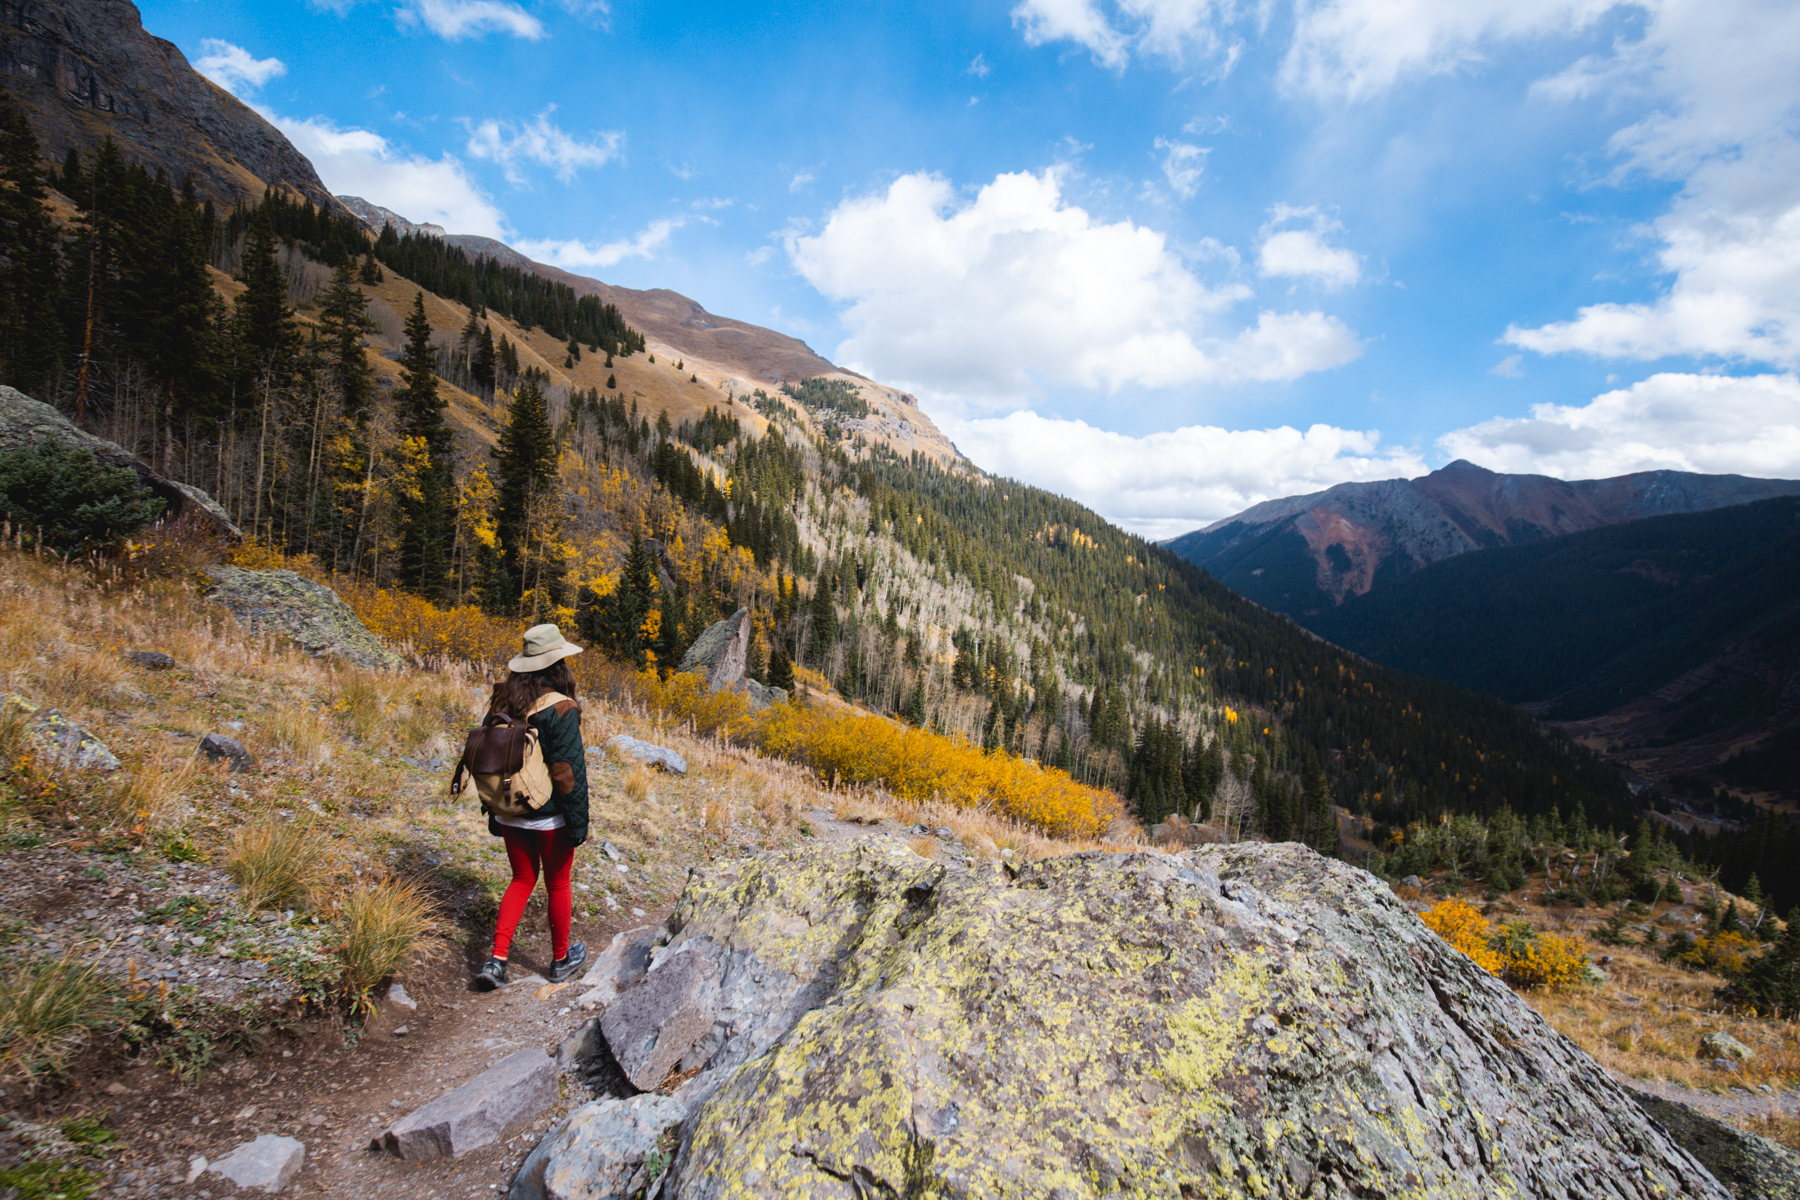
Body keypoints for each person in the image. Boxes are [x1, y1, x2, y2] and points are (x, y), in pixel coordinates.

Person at [475, 623, 590, 990]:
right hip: (548, 815)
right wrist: (578, 822)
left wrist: (494, 813)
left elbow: (489, 758)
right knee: (557, 883)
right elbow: (566, 772)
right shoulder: (560, 708)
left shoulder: (503, 701)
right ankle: (559, 960)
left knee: (521, 879)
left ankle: (497, 960)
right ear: (558, 665)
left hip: (508, 810)